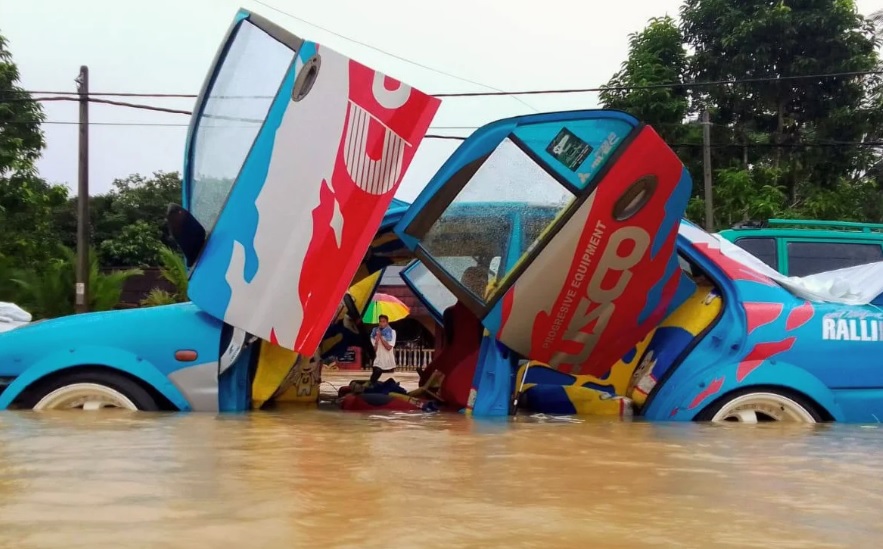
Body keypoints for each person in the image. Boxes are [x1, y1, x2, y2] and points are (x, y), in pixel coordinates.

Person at [369, 314, 397, 383]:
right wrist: (377, 340)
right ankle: (370, 387)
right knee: (374, 377)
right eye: (380, 321)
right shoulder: (374, 333)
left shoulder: (392, 332)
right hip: (377, 359)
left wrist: (381, 337)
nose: (381, 323)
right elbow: (374, 349)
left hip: (387, 360)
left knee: (379, 378)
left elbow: (389, 347)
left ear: (387, 322)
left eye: (384, 321)